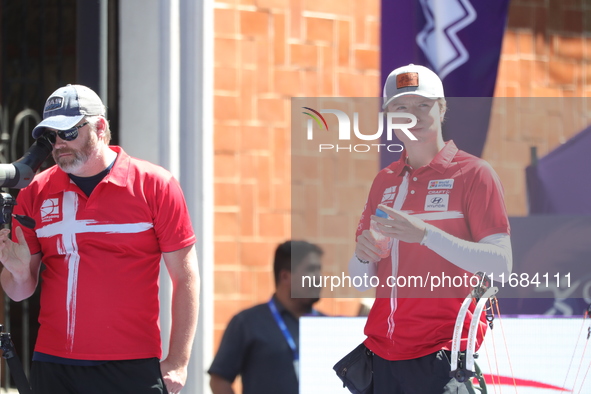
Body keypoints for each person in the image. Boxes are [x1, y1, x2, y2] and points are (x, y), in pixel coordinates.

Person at [0, 84, 200, 394]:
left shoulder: (155, 185)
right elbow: (19, 292)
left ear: (101, 126)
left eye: (69, 132)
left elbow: (185, 278)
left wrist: (178, 361)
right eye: (52, 135)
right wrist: (16, 270)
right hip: (54, 366)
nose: (59, 144)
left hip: (132, 366)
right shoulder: (35, 192)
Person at [349, 64, 512, 393]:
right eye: (400, 107)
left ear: (441, 108)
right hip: (382, 355)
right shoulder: (384, 181)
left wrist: (425, 234)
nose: (412, 116)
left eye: (422, 105)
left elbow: (501, 265)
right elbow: (358, 279)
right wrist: (363, 256)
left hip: (443, 356)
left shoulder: (474, 174)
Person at [208, 240, 323, 394]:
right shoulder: (247, 323)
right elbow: (219, 380)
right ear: (285, 277)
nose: (318, 278)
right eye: (311, 270)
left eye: (319, 270)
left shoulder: (327, 326)